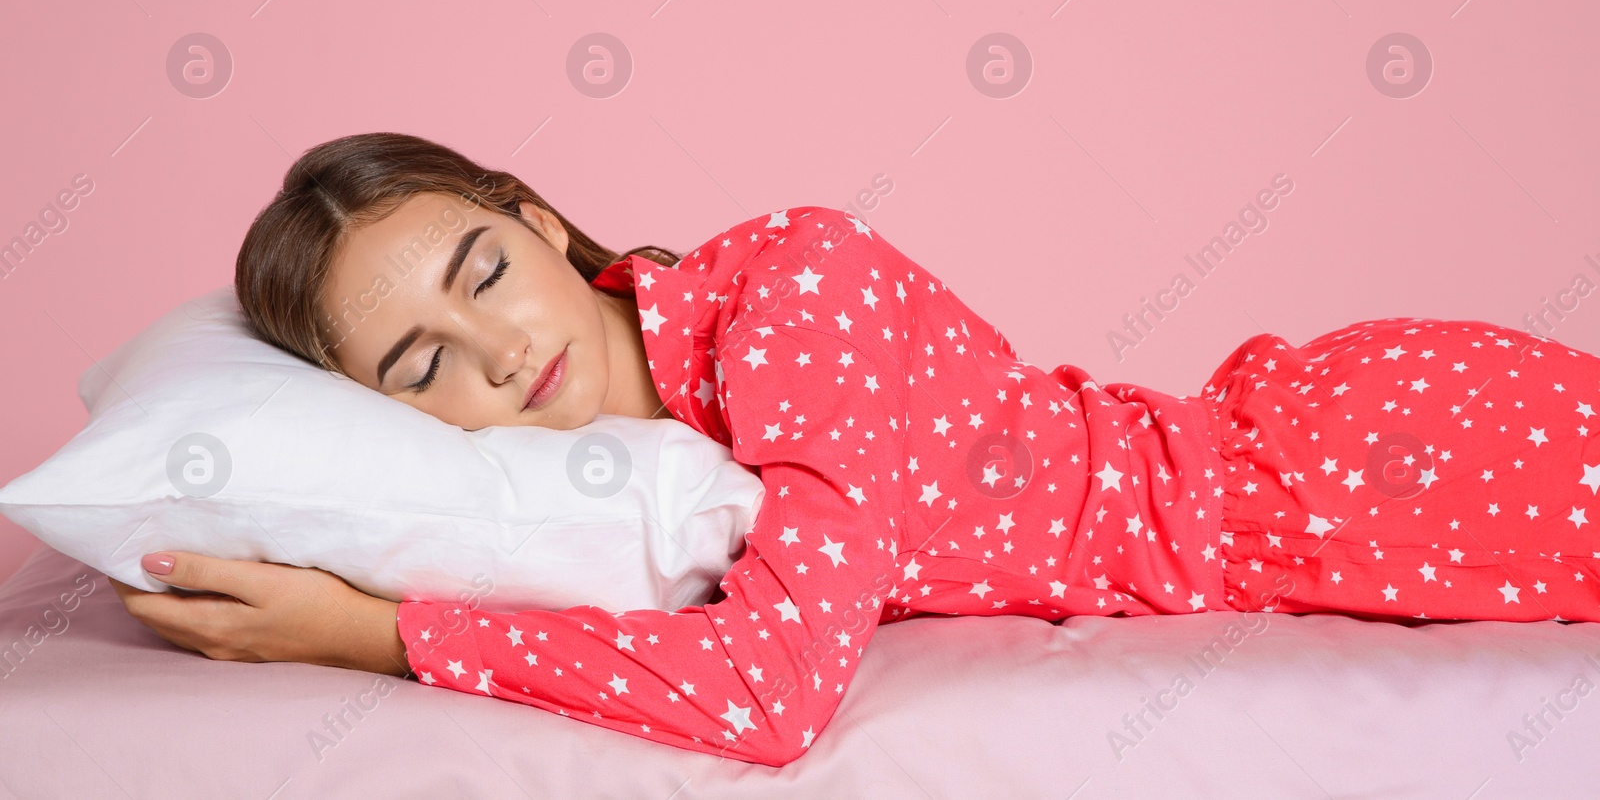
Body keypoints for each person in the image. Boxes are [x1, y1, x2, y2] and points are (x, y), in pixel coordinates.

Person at [111, 132, 1600, 767]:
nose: (500, 353)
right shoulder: (622, 475)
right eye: (423, 364)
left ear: (540, 220)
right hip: (1309, 487)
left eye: (485, 271)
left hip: (1340, 476)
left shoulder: (788, 291)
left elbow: (771, 695)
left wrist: (379, 638)